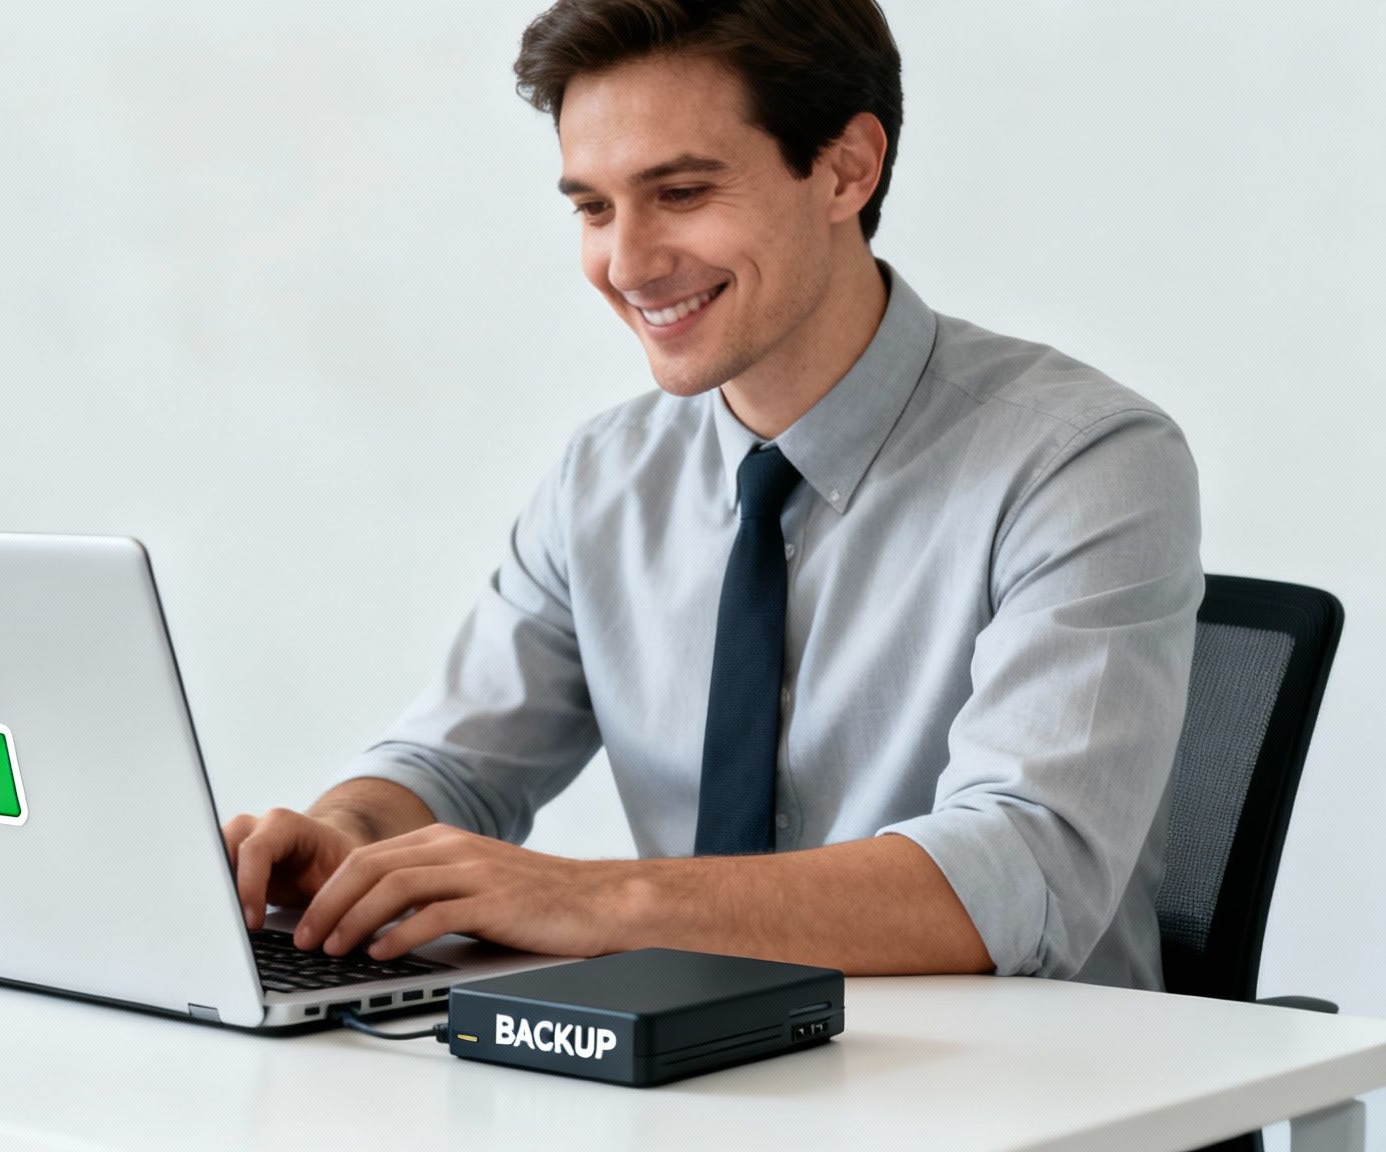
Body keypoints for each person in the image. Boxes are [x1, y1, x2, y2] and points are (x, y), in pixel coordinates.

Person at [224, 0, 1201, 989]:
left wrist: (599, 901)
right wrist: (346, 835)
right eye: (592, 208)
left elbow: (1025, 871)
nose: (627, 263)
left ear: (843, 169)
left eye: (680, 192)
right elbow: (453, 767)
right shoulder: (605, 476)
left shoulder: (1081, 459)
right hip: (690, 1084)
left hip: (1012, 1103)